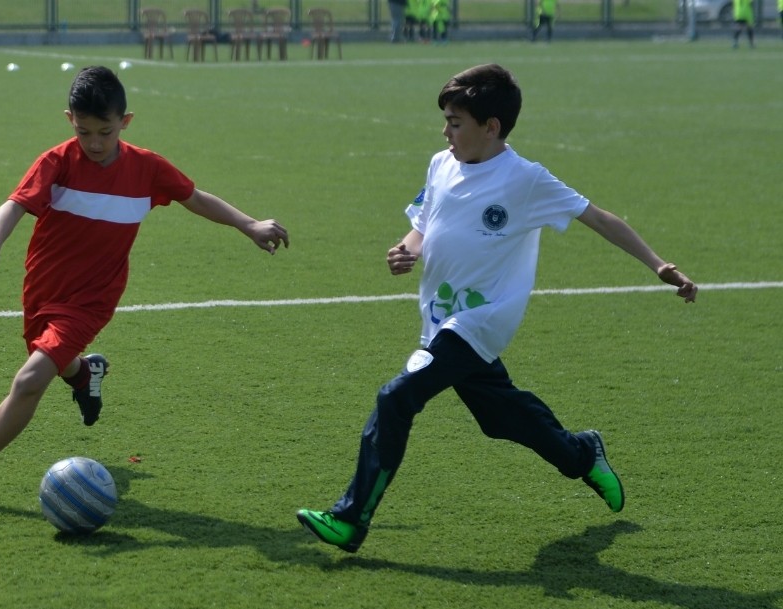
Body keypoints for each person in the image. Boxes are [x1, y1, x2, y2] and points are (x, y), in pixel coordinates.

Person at [296, 63, 697, 554]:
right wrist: (408, 248)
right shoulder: (441, 164)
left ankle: (351, 518)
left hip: (482, 319)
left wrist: (658, 265)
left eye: (456, 122)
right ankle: (581, 453)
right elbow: (424, 222)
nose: (446, 132)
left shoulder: (525, 179)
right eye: (445, 120)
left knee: (396, 396)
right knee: (500, 417)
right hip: (440, 317)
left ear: (492, 127)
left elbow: (598, 217)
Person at [0, 66, 290, 505]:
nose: (96, 143)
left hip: (93, 298)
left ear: (126, 121)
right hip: (43, 289)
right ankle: (86, 373)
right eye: (85, 132)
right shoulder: (58, 161)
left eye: (106, 131)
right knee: (52, 361)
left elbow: (195, 198)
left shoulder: (147, 168)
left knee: (30, 380)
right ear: (70, 121)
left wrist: (248, 224)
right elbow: (14, 205)